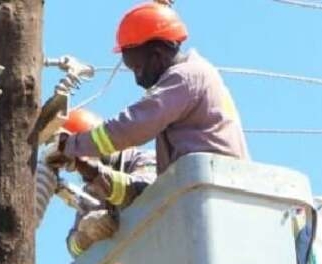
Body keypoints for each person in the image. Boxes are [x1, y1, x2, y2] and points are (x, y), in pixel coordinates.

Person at [46, 2, 249, 178]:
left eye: (137, 67)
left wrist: (71, 146)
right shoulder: (195, 73)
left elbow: (133, 127)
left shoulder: (185, 77)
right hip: (210, 185)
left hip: (210, 184)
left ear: (157, 54)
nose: (138, 79)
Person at [53, 109, 157, 257]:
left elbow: (142, 190)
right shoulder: (90, 192)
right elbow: (73, 249)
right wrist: (84, 236)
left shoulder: (144, 159)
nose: (82, 166)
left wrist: (94, 172)